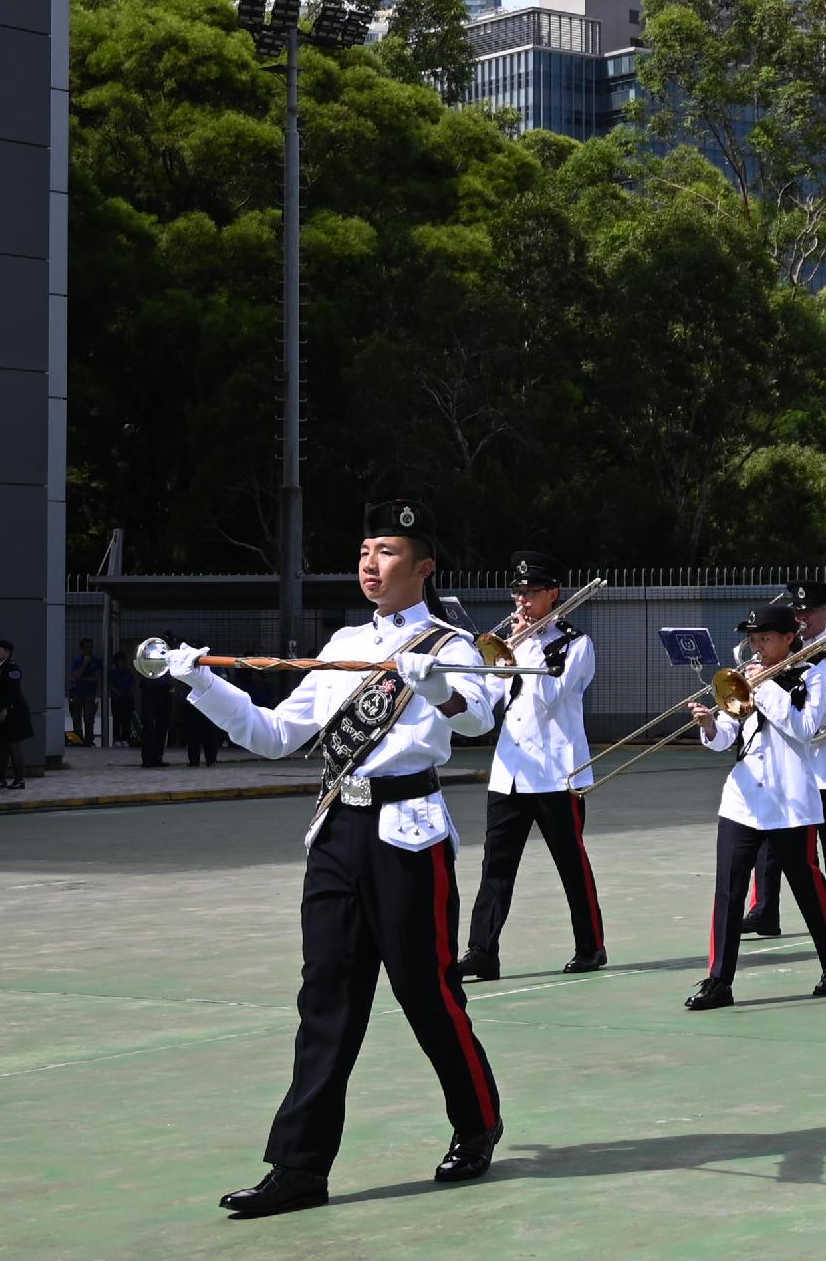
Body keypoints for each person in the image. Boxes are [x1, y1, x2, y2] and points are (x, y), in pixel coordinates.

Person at [145, 501, 504, 1219]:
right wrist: (200, 681)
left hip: (409, 834)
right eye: (366, 549)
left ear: (424, 566)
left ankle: (477, 1122)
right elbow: (276, 736)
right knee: (327, 1002)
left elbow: (479, 718)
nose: (371, 563)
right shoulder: (342, 641)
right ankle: (300, 1166)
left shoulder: (453, 644)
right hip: (337, 830)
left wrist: (434, 683)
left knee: (427, 994)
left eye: (390, 551)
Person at [689, 599, 826, 1007]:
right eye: (753, 639)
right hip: (742, 798)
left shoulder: (812, 676)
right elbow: (731, 732)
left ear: (787, 638)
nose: (757, 646)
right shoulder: (746, 677)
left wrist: (763, 686)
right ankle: (719, 981)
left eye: (765, 638)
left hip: (789, 799)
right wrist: (711, 726)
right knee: (728, 889)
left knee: (806, 885)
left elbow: (802, 728)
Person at [463, 558, 605, 978]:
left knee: (570, 864)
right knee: (496, 866)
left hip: (557, 774)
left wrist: (530, 643)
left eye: (531, 593)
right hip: (510, 770)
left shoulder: (576, 645)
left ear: (552, 594)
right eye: (518, 593)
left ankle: (590, 946)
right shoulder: (509, 642)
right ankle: (481, 951)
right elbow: (487, 702)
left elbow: (549, 696)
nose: (522, 601)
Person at [741, 581, 826, 938]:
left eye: (810, 612)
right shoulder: (774, 654)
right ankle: (764, 910)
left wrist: (807, 700)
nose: (803, 618)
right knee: (770, 838)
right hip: (784, 762)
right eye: (798, 613)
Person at [0, 638, 35, 789]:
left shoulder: (12, 668)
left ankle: (19, 780)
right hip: (0, 711)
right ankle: (1, 779)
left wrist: (5, 708)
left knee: (13, 744)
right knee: (1, 745)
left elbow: (13, 690)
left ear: (7, 652)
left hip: (13, 712)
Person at [66, 637, 104, 748]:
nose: (88, 650)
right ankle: (79, 740)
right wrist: (84, 665)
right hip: (77, 692)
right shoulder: (77, 661)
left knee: (89, 718)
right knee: (76, 717)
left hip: (89, 693)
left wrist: (81, 678)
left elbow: (96, 678)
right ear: (81, 648)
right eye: (86, 647)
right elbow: (73, 677)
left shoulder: (96, 661)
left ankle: (88, 741)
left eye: (90, 647)